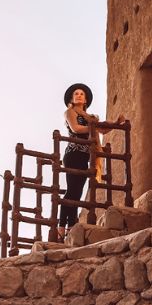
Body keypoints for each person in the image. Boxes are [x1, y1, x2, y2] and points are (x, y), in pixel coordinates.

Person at [58, 83, 98, 239]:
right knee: (71, 190)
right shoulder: (69, 112)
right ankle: (61, 226)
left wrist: (116, 122)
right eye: (76, 94)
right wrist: (94, 127)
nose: (79, 95)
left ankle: (71, 227)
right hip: (73, 153)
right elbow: (76, 129)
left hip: (84, 156)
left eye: (82, 94)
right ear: (72, 99)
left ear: (86, 99)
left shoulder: (91, 118)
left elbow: (102, 129)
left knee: (78, 192)